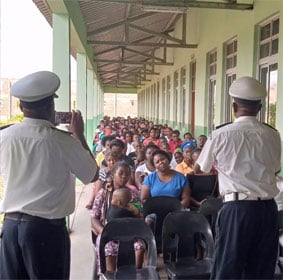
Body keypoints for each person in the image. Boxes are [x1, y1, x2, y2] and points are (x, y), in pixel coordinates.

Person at [0, 71, 99, 279]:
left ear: (20, 107)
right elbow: (91, 175)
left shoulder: (4, 137)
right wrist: (79, 134)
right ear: (51, 107)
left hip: (10, 228)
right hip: (45, 231)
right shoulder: (63, 141)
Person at [194, 76, 281, 279]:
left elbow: (200, 168)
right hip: (268, 209)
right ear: (259, 107)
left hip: (237, 210)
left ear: (234, 106)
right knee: (261, 270)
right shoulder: (273, 134)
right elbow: (275, 169)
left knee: (228, 267)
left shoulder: (221, 134)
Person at [91, 161, 145, 273]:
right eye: (121, 173)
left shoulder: (132, 194)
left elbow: (140, 214)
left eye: (127, 174)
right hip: (108, 232)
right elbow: (94, 218)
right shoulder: (104, 194)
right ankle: (110, 275)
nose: (124, 176)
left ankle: (136, 274)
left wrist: (134, 211)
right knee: (107, 246)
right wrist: (104, 232)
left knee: (139, 245)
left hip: (130, 231)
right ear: (113, 175)